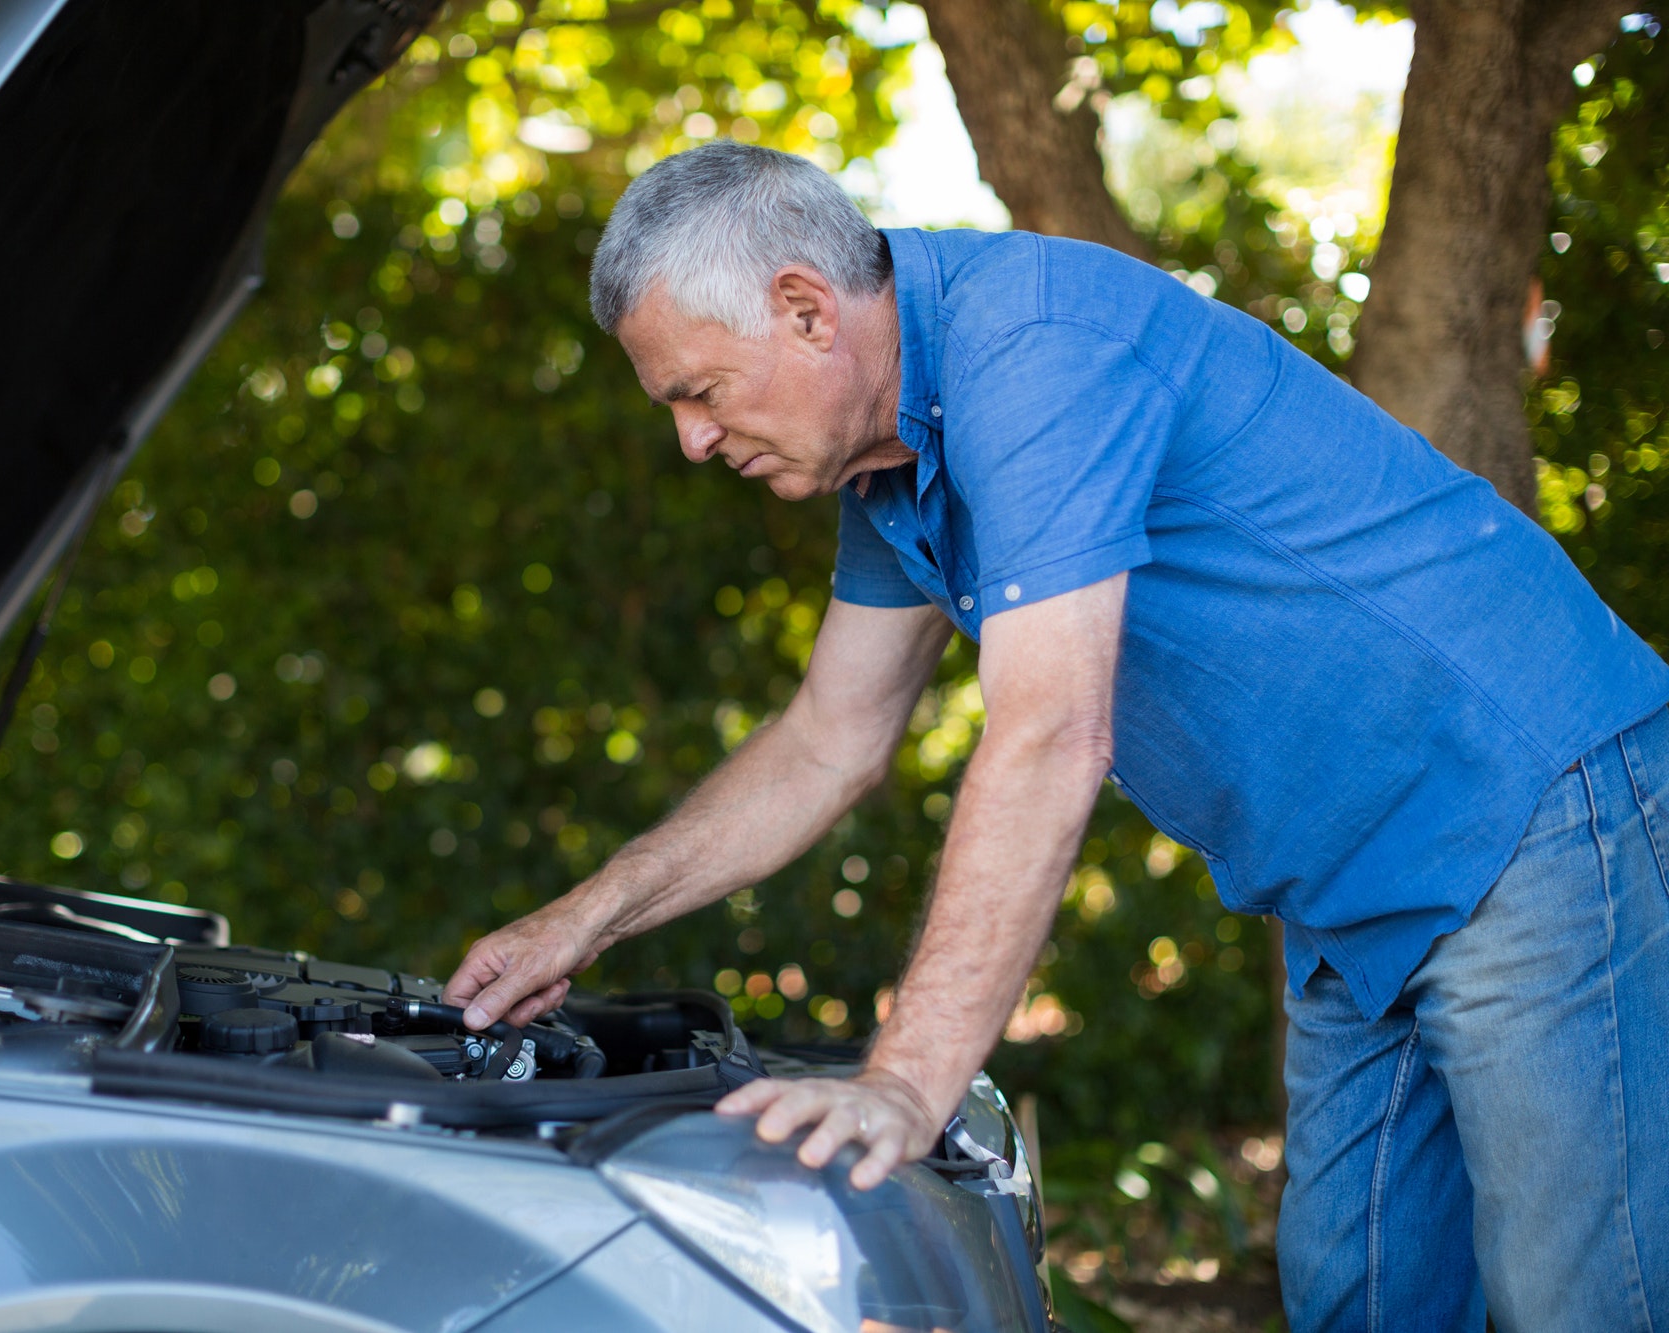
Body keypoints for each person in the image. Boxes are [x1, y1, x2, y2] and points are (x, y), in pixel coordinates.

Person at [441, 141, 1669, 1332]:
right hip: (1349, 891)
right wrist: (581, 917)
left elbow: (1046, 731)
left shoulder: (1031, 354)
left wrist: (906, 1083)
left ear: (806, 309)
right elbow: (827, 737)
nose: (691, 441)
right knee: (1358, 1299)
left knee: (1582, 1299)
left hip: (1529, 815)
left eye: (697, 392)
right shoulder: (892, 467)